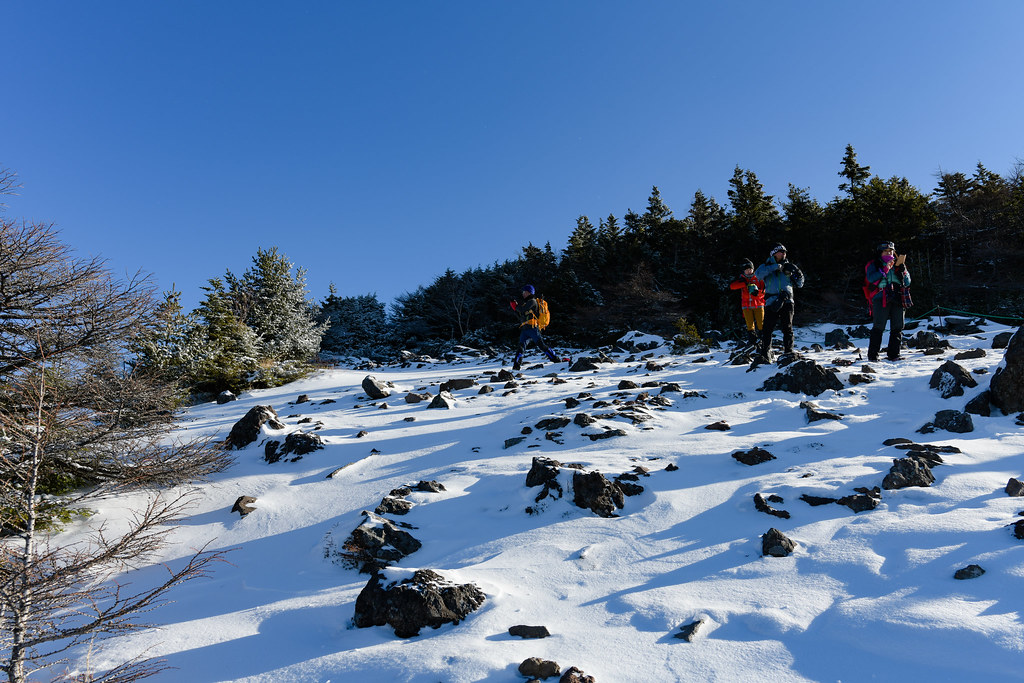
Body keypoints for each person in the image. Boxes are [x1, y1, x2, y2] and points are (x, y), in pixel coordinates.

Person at [755, 244, 804, 360]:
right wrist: (775, 267)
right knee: (767, 328)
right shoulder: (766, 266)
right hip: (771, 301)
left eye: (785, 252)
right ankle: (765, 353)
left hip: (787, 301)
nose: (784, 254)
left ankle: (788, 352)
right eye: (781, 251)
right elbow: (758, 275)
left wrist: (798, 272)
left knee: (787, 328)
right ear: (774, 253)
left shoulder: (789, 267)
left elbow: (800, 284)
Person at [864, 241, 911, 361]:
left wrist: (903, 270)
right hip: (880, 297)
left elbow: (908, 282)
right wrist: (884, 269)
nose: (889, 253)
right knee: (878, 326)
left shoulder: (898, 264)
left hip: (898, 296)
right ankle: (873, 356)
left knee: (897, 326)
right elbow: (870, 278)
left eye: (891, 251)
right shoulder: (873, 264)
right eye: (886, 251)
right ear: (880, 252)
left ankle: (894, 354)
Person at [510, 284, 560, 371]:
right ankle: (516, 367)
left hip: (533, 328)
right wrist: (515, 308)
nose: (523, 294)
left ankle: (556, 359)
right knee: (520, 348)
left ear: (529, 293)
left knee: (541, 345)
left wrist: (516, 306)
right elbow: (520, 315)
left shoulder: (532, 301)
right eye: (523, 292)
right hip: (525, 329)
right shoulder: (526, 303)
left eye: (524, 292)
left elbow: (522, 310)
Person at [728, 259, 765, 346]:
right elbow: (732, 286)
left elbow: (764, 291)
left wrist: (757, 292)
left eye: (750, 269)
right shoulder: (742, 279)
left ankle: (763, 340)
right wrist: (744, 284)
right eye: (747, 269)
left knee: (761, 323)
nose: (749, 271)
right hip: (746, 306)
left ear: (753, 269)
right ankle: (752, 341)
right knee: (749, 325)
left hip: (758, 304)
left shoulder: (758, 278)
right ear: (743, 270)